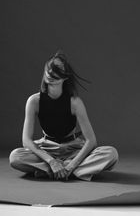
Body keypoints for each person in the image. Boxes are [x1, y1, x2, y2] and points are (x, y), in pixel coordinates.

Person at [9, 51, 119, 181]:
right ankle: (72, 171)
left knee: (111, 154)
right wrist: (51, 161)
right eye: (49, 69)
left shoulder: (75, 102)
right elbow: (26, 141)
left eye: (57, 71)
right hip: (47, 148)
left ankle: (59, 171)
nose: (51, 74)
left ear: (65, 77)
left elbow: (91, 141)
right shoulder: (34, 101)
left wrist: (72, 164)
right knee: (15, 157)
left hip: (73, 148)